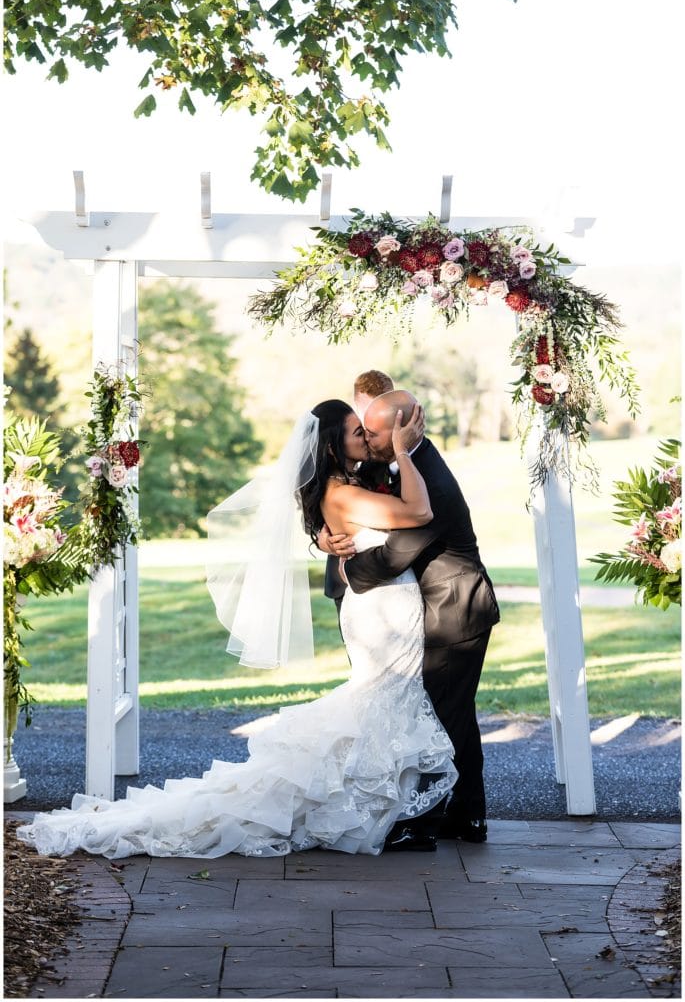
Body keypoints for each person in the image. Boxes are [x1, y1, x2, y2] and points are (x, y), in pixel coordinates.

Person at [16, 400, 456, 860]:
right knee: (377, 700)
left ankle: (373, 806)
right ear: (331, 446)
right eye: (356, 433)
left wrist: (326, 540)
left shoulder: (348, 485)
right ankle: (351, 806)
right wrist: (404, 451)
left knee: (385, 703)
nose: (367, 438)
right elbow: (419, 512)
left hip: (388, 608)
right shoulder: (341, 492)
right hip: (381, 615)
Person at [341, 389, 500, 850]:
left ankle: (419, 824)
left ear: (402, 430)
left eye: (373, 432)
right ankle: (469, 818)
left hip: (454, 612)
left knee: (438, 718)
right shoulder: (396, 463)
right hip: (442, 606)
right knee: (458, 716)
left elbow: (395, 555)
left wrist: (347, 568)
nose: (366, 440)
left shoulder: (431, 480)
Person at [320, 369, 394, 615]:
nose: (367, 426)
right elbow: (314, 514)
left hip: (397, 581)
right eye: (363, 415)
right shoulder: (338, 458)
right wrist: (325, 542)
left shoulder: (407, 454)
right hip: (347, 582)